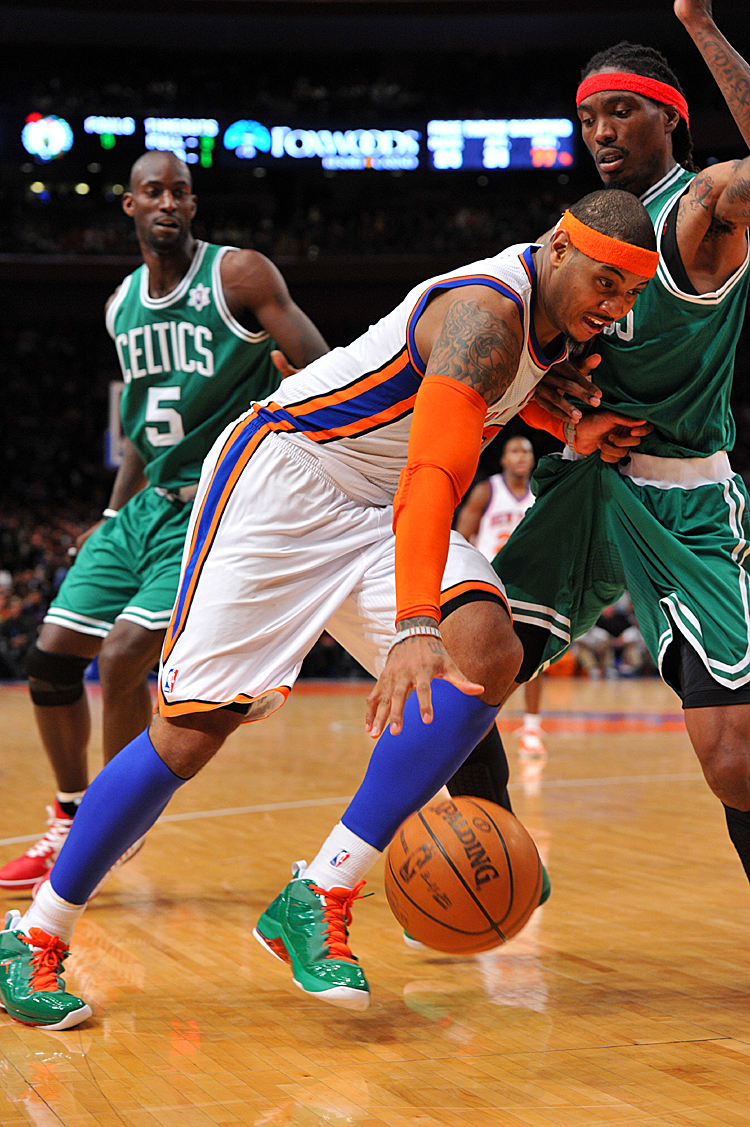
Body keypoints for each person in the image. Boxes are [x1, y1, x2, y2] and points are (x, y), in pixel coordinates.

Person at [0, 188, 659, 1029]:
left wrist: (567, 429)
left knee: (490, 651)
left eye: (631, 293)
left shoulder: (550, 323)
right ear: (559, 250)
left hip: (373, 500)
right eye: (608, 283)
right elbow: (432, 477)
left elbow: (460, 404)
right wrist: (415, 624)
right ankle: (34, 934)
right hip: (288, 484)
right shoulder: (487, 314)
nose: (616, 307)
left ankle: (320, 888)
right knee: (190, 732)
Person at [0, 150, 328, 891]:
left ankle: (114, 825)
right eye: (154, 192)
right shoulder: (120, 305)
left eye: (180, 191)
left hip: (214, 504)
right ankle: (71, 813)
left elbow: (324, 365)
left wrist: (290, 423)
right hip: (142, 506)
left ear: (193, 203)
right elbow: (147, 431)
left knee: (121, 659)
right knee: (49, 661)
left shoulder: (238, 274)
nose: (168, 202)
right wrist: (112, 511)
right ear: (130, 206)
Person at [476, 0, 750, 889]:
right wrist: (549, 407)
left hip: (687, 501)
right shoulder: (588, 226)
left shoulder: (699, 213)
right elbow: (525, 366)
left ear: (671, 113)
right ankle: (500, 868)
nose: (599, 129)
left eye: (620, 110)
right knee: (461, 684)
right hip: (588, 486)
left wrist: (703, 29)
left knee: (732, 754)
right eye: (588, 115)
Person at [456, 435, 548, 765]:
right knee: (476, 661)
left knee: (536, 658)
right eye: (515, 451)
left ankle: (532, 728)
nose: (522, 455)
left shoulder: (541, 493)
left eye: (527, 450)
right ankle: (462, 729)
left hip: (528, 585)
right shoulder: (488, 491)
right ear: (504, 460)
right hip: (489, 585)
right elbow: (461, 536)